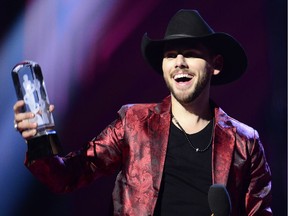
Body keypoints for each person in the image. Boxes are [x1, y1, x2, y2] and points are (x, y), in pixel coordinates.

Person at [13, 9, 272, 215]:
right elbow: (66, 177)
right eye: (171, 55)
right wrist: (38, 139)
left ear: (215, 65)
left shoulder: (244, 142)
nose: (179, 62)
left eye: (190, 54)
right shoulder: (134, 124)